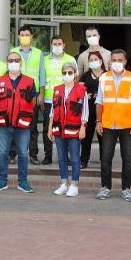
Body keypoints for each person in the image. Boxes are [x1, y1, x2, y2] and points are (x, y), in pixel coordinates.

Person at [94, 49, 131, 202]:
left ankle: (126, 189)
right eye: (114, 60)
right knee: (106, 157)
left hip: (127, 125)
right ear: (110, 62)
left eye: (119, 60)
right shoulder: (103, 78)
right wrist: (98, 121)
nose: (116, 63)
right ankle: (105, 187)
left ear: (125, 61)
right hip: (108, 124)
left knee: (127, 158)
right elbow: (99, 102)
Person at [0, 51, 36, 193]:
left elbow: (33, 101)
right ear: (7, 63)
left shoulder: (29, 81)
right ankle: (2, 181)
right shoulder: (0, 80)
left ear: (21, 63)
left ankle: (23, 182)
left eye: (16, 60)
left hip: (23, 125)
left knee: (23, 153)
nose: (14, 63)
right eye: (11, 60)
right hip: (4, 125)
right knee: (3, 153)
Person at [47, 61, 88, 197]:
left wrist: (83, 127)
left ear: (75, 74)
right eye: (64, 73)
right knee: (61, 158)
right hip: (59, 129)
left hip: (74, 129)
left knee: (75, 158)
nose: (67, 75)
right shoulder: (57, 89)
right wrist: (49, 128)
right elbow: (53, 110)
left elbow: (85, 111)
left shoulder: (81, 90)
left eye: (70, 72)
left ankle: (74, 185)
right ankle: (64, 184)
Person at [10, 25, 46, 165]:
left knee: (32, 125)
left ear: (31, 36)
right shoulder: (13, 52)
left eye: (27, 35)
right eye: (22, 35)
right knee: (14, 123)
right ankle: (12, 154)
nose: (25, 37)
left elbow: (42, 74)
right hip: (16, 91)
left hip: (32, 93)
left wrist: (41, 94)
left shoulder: (38, 53)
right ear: (19, 37)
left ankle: (33, 154)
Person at [42, 36, 76, 165]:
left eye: (59, 43)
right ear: (51, 44)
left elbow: (75, 78)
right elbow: (42, 78)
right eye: (55, 43)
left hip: (66, 99)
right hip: (48, 99)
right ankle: (48, 155)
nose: (57, 46)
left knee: (65, 126)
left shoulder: (70, 59)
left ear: (64, 45)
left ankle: (65, 156)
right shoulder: (44, 60)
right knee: (48, 127)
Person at [79, 51, 105, 168]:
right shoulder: (85, 75)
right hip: (88, 110)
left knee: (103, 137)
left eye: (96, 59)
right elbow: (80, 91)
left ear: (101, 61)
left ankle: (104, 160)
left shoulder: (107, 75)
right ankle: (84, 160)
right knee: (86, 137)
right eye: (91, 60)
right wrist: (86, 94)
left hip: (103, 111)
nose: (93, 62)